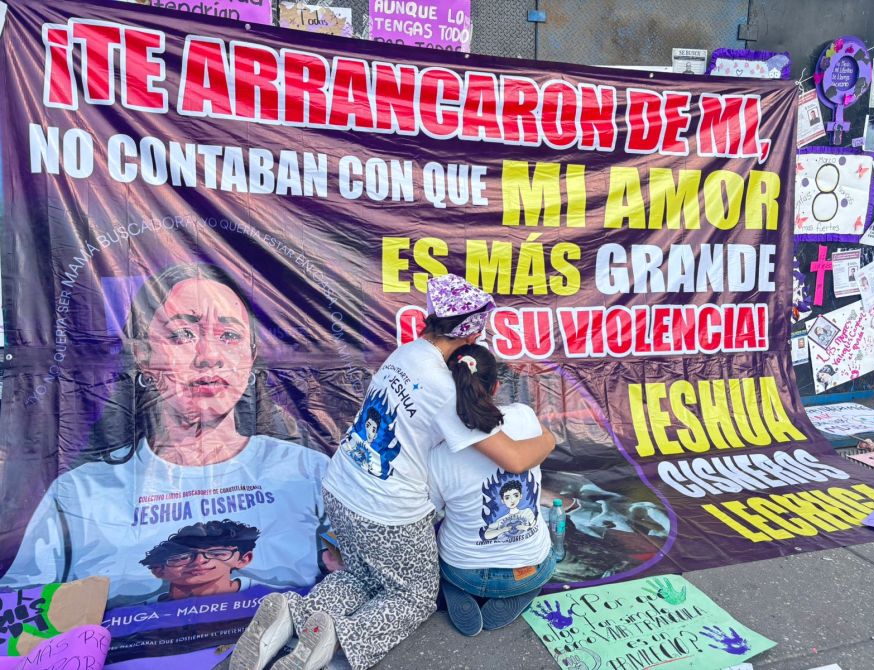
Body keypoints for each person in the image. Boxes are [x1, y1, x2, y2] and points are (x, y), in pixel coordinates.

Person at [229, 274, 556, 670]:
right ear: (470, 339)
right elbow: (515, 459)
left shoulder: (406, 354)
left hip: (341, 486)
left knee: (369, 576)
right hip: (385, 512)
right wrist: (549, 439)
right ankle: (339, 639)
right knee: (413, 595)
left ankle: (290, 615)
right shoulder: (447, 391)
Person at [0, 263, 331, 606]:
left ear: (250, 357)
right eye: (183, 335)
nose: (209, 357)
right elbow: (16, 619)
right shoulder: (79, 495)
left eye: (229, 336)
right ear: (143, 356)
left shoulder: (308, 473)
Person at [428, 344, 554, 636]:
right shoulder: (524, 416)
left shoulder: (437, 451)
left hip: (464, 570)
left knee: (446, 544)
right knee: (548, 553)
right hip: (526, 569)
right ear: (496, 386)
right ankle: (520, 591)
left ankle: (455, 589)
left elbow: (431, 513)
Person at [140, 520, 259, 601]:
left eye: (217, 553)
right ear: (158, 569)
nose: (199, 560)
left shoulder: (270, 596)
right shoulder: (138, 614)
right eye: (182, 557)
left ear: (243, 560)